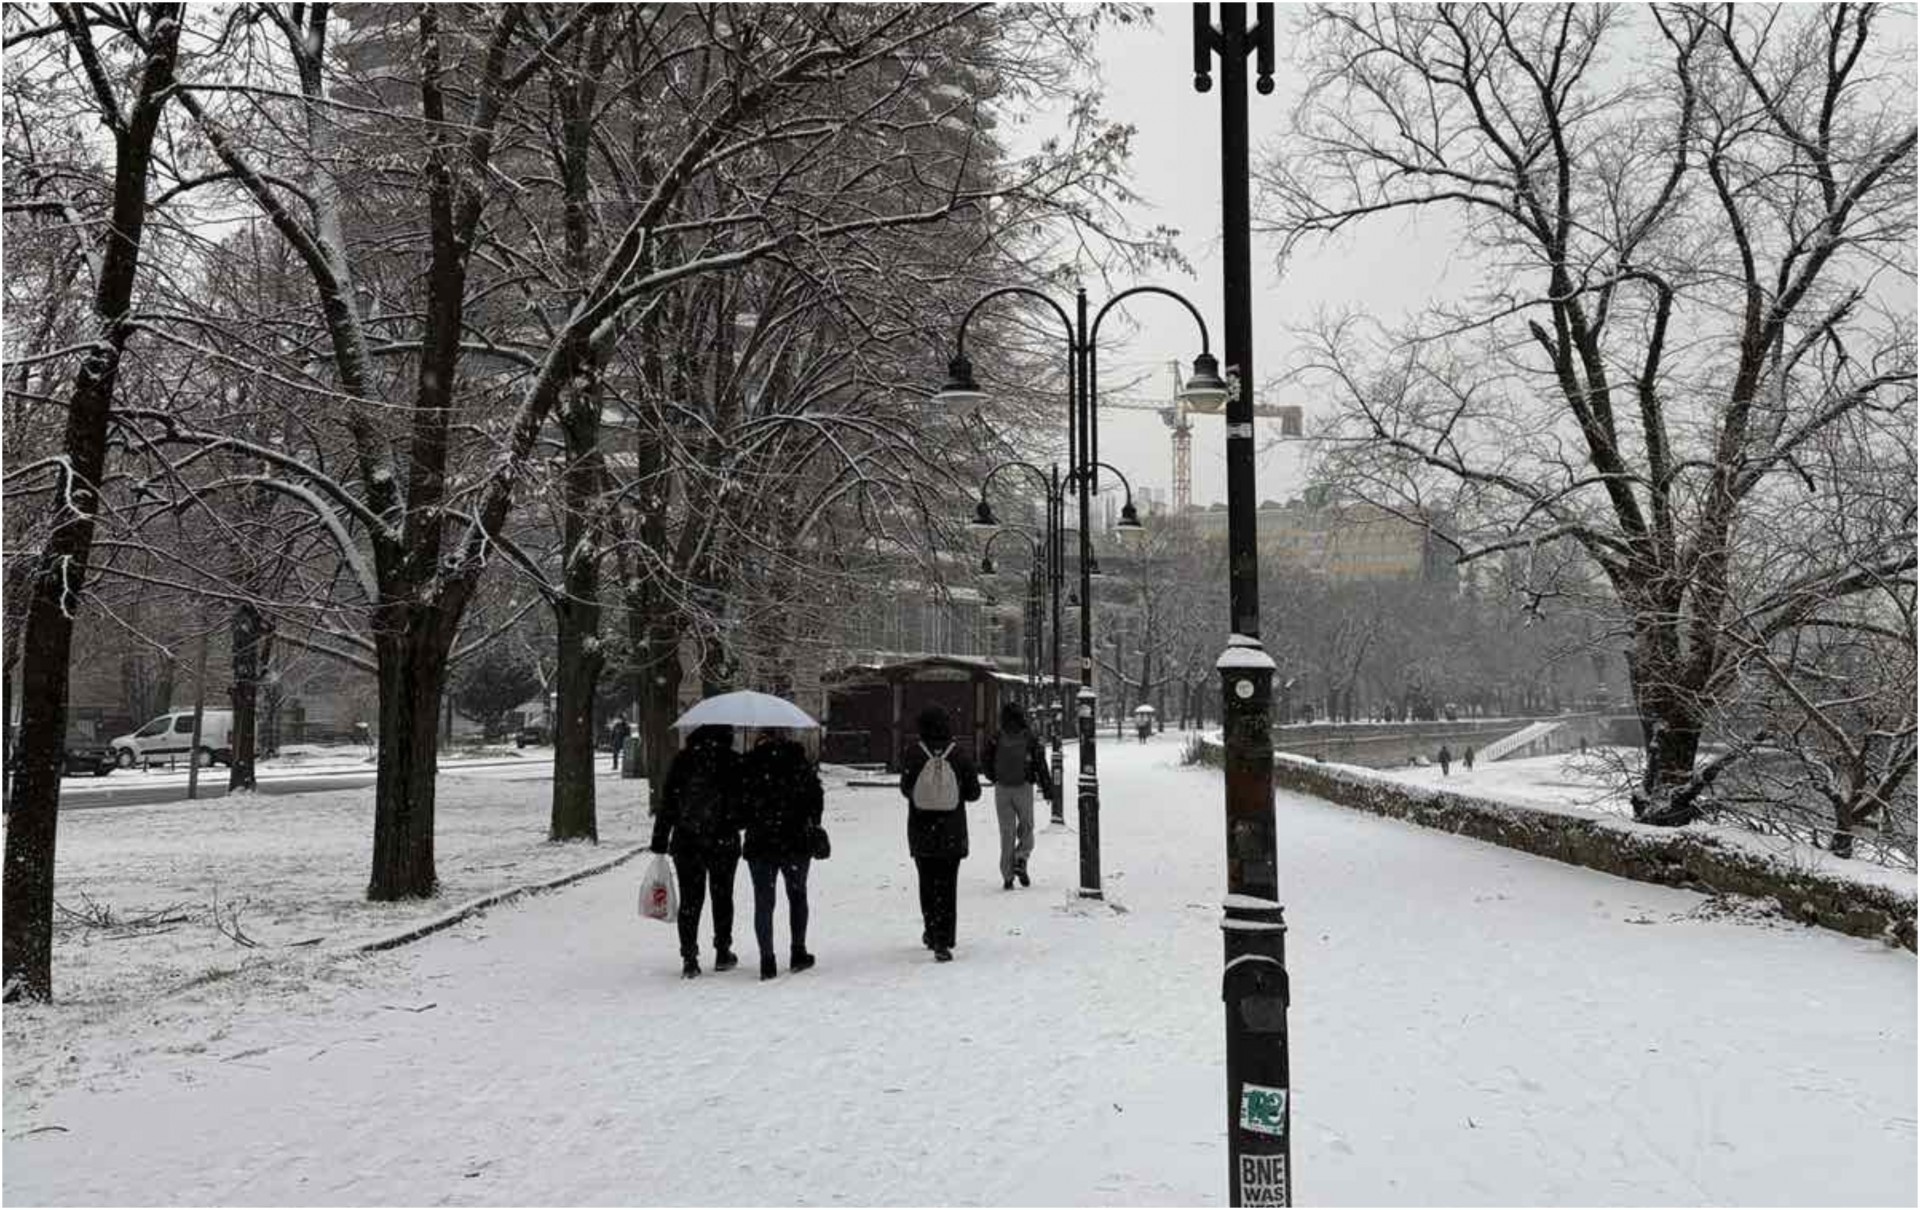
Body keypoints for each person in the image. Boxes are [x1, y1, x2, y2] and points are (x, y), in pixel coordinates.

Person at [650, 724, 743, 978]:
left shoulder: (682, 760)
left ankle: (689, 956)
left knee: (691, 900)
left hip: (687, 841)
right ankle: (723, 950)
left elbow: (668, 802)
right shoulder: (733, 761)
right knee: (722, 896)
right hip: (723, 841)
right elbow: (743, 804)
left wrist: (659, 840)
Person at [899, 706, 981, 962]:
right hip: (951, 830)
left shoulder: (913, 753)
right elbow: (973, 792)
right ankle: (945, 937)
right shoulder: (958, 754)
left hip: (922, 830)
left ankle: (932, 931)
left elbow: (906, 789)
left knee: (927, 882)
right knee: (948, 884)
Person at [740, 727, 823, 980]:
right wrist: (810, 820)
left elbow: (740, 806)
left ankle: (767, 960)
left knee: (764, 902)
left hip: (760, 843)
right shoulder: (799, 762)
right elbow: (816, 798)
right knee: (797, 895)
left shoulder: (749, 765)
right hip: (795, 842)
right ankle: (798, 951)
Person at [981, 702, 1054, 891]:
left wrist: (994, 776)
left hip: (1002, 788)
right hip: (1023, 787)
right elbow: (1040, 762)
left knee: (1007, 832)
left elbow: (985, 758)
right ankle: (1021, 858)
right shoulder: (1029, 737)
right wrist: (1047, 788)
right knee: (1027, 826)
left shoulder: (997, 736)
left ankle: (1007, 876)